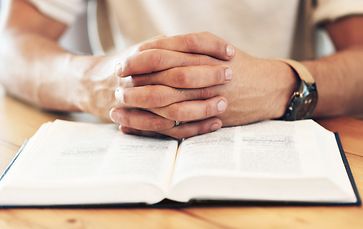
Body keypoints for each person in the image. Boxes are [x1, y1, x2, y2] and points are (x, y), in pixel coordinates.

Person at [0, 0, 362, 139]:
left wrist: (277, 85)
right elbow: (12, 44)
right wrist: (97, 83)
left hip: (279, 138)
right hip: (121, 139)